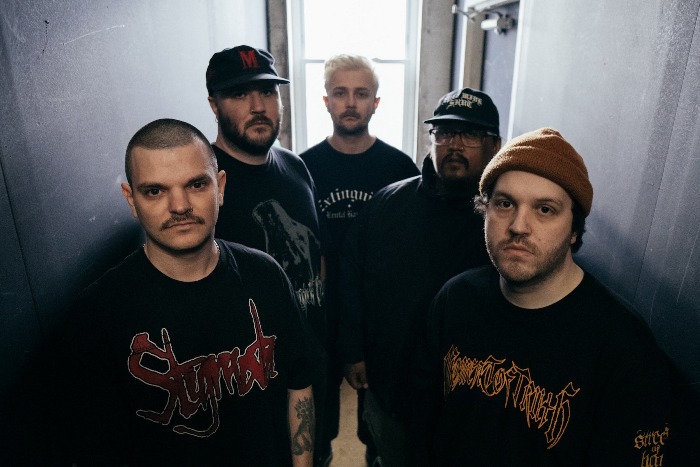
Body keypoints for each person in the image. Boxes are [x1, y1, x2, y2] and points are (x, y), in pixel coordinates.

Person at [55, 119, 316, 466]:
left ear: (220, 187)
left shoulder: (265, 275)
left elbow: (299, 384)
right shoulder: (98, 314)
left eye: (196, 184)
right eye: (155, 191)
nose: (179, 206)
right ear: (131, 200)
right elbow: (97, 447)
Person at [410, 127, 672, 466]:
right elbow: (421, 415)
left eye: (545, 209)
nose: (519, 226)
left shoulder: (624, 345)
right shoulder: (455, 299)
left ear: (574, 230)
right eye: (505, 204)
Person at [338, 87, 502, 465]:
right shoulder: (388, 203)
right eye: (444, 133)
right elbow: (351, 278)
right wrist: (353, 351)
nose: (454, 144)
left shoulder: (503, 218)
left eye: (470, 134)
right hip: (388, 381)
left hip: (463, 396)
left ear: (494, 145)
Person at [205, 45, 327, 465]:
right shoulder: (203, 186)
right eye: (239, 94)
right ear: (214, 104)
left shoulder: (295, 167)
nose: (258, 106)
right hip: (250, 390)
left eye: (268, 92)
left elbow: (317, 256)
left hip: (311, 367)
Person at [299, 54, 419, 466]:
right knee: (319, 428)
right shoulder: (303, 168)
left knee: (381, 432)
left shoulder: (400, 169)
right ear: (326, 101)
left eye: (361, 93)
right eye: (340, 93)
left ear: (376, 103)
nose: (350, 103)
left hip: (378, 317)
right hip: (320, 315)